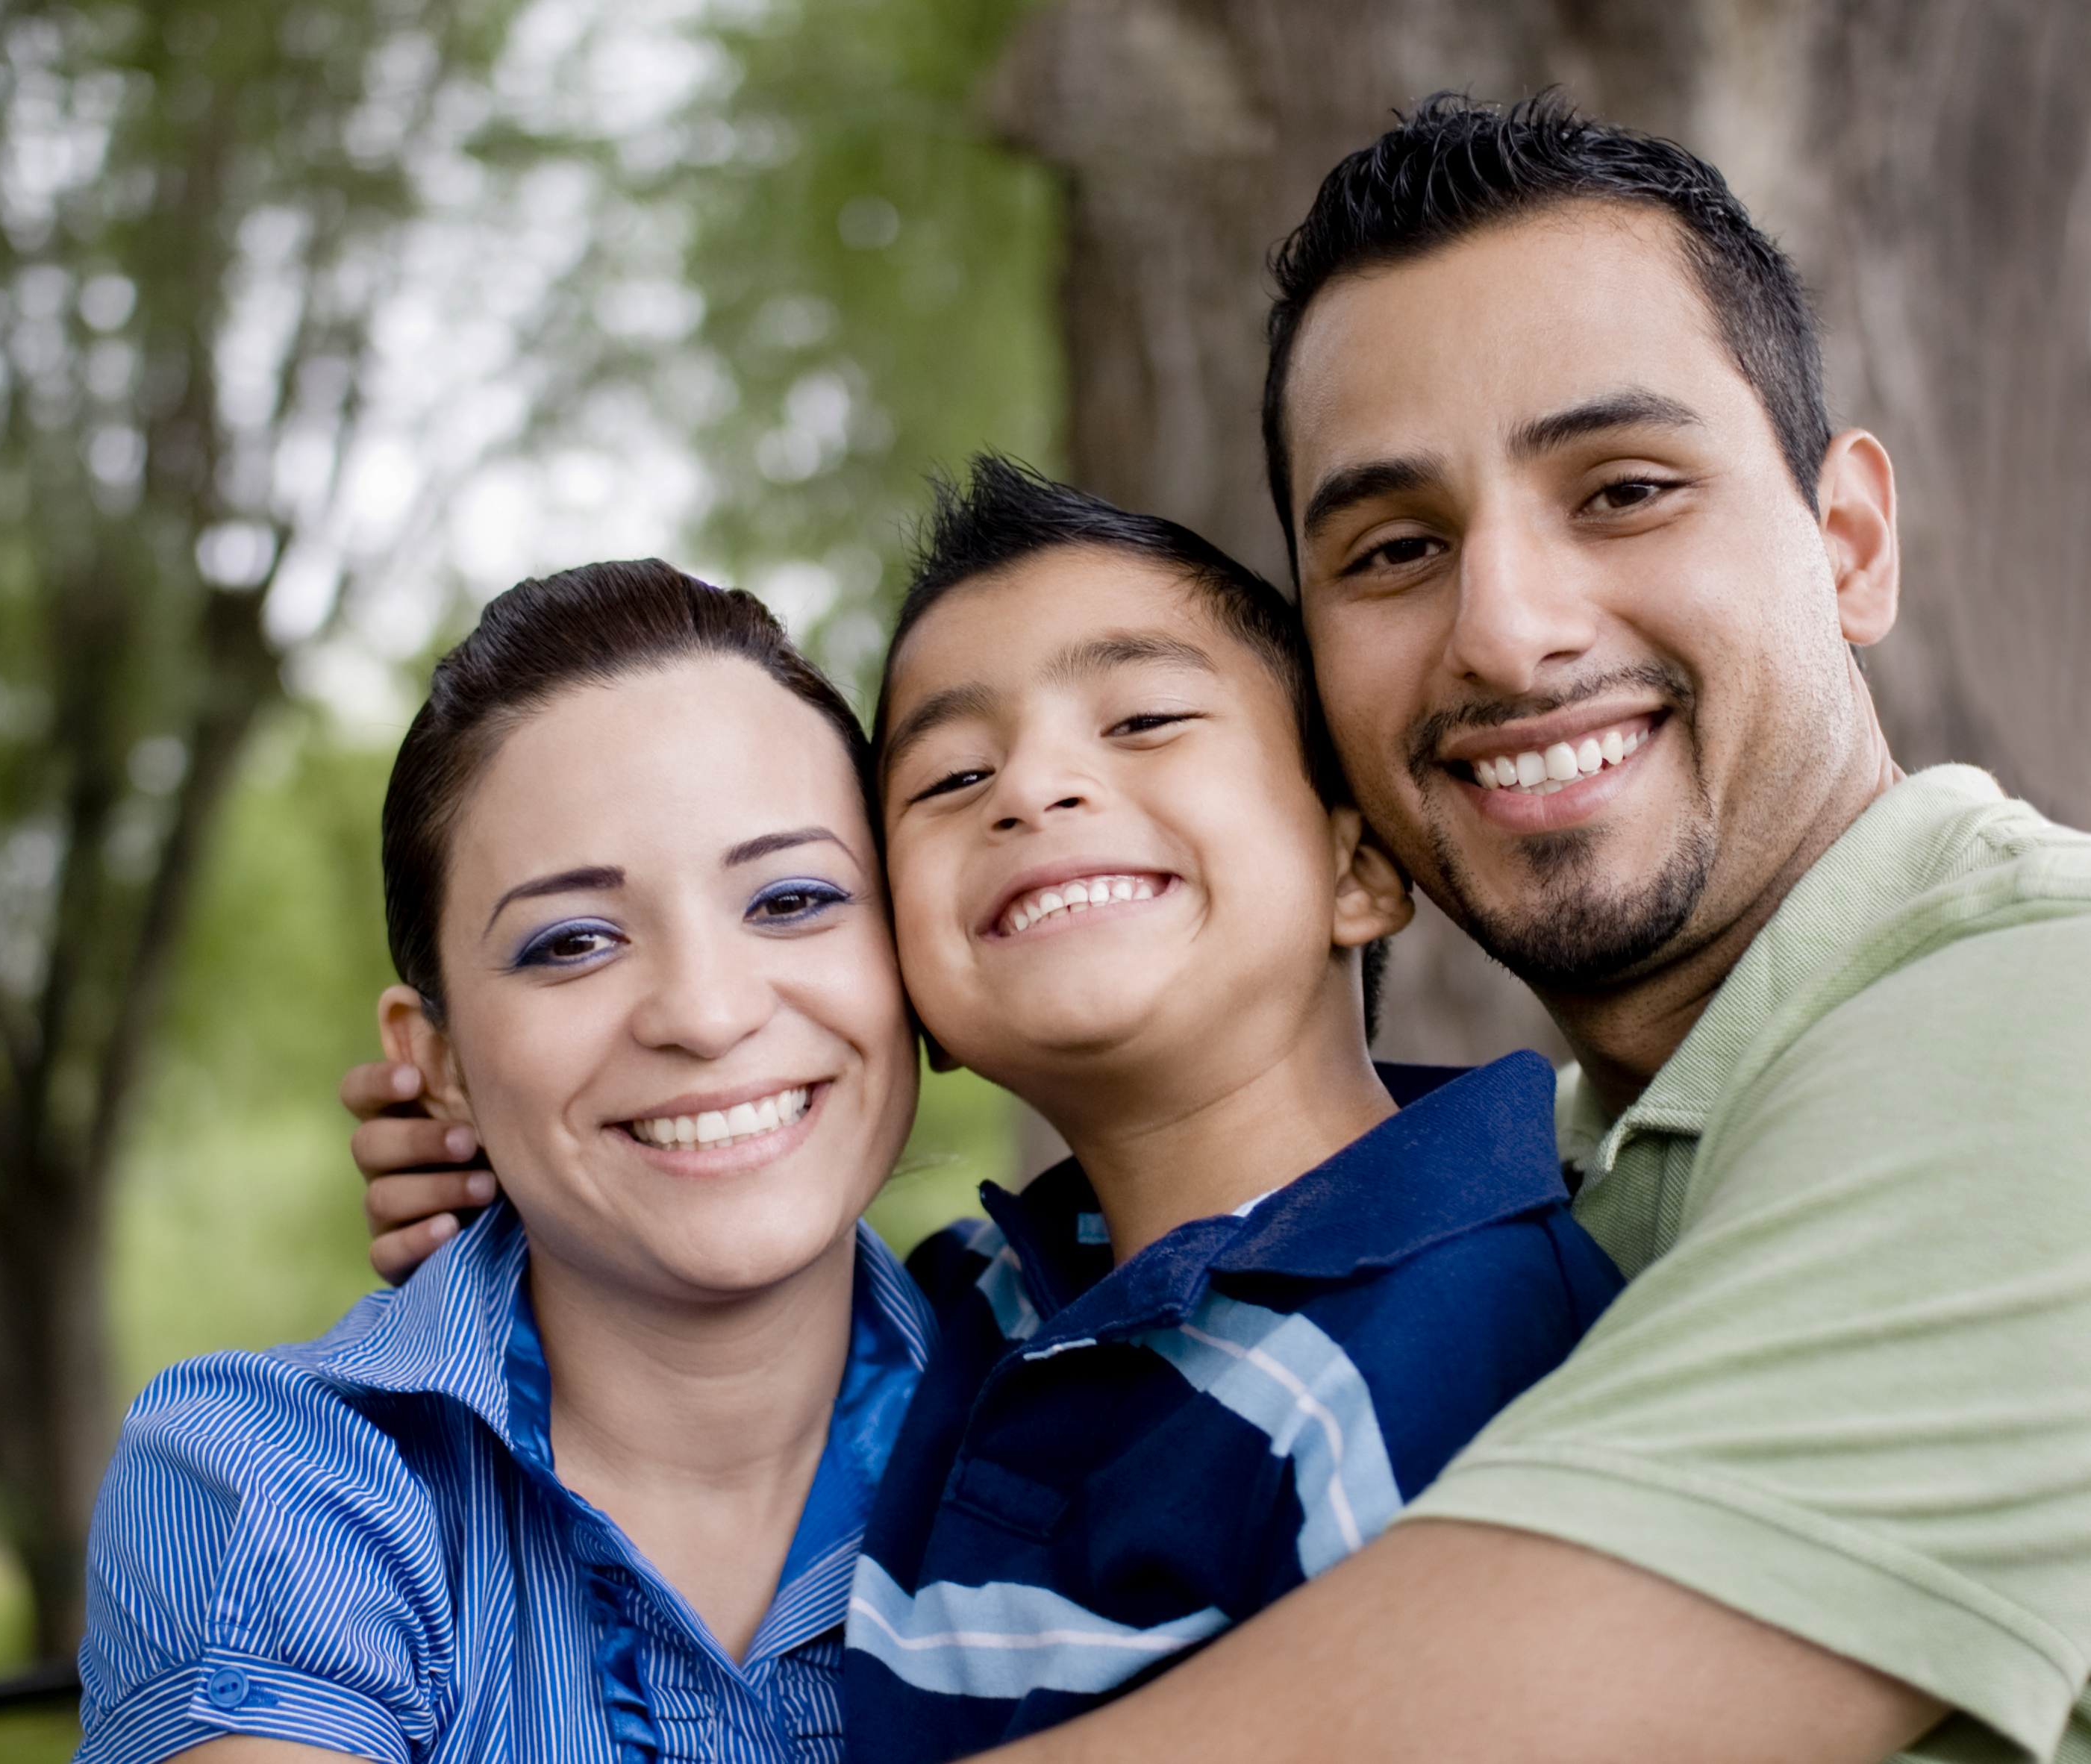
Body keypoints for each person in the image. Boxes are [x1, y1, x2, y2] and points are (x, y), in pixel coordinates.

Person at [363, 95, 2091, 1764]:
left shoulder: (2041, 1038)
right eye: (1395, 547)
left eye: (1623, 487)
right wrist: (581, 1179)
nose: (1504, 628)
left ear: (1848, 538)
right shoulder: (1574, 1171)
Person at [74, 561, 934, 1764]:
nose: (704, 1010)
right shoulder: (271, 1475)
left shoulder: (1086, 1382)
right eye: (572, 941)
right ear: (440, 1064)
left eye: (792, 899)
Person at [836, 456, 1621, 1760]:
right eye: (950, 781)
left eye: (1141, 720)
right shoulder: (963, 1301)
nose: (1030, 788)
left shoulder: (1448, 1342)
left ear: (1358, 871)